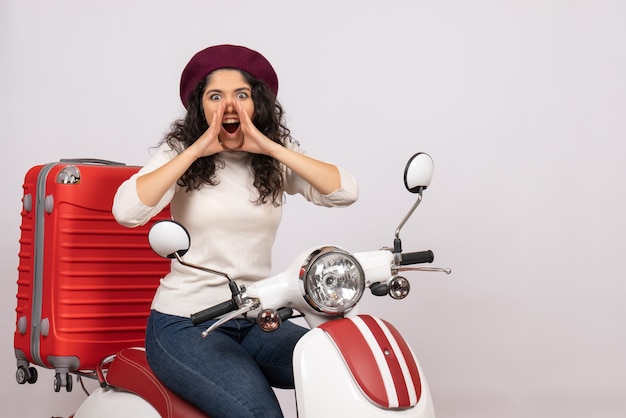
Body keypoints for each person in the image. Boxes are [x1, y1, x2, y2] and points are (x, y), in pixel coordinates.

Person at [112, 44, 359, 418]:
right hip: (186, 325)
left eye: (241, 95)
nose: (229, 106)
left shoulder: (273, 157)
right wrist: (195, 150)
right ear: (201, 106)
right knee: (260, 413)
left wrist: (272, 148)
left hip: (258, 317)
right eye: (216, 96)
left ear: (257, 103)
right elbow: (127, 211)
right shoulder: (180, 151)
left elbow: (344, 191)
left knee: (341, 369)